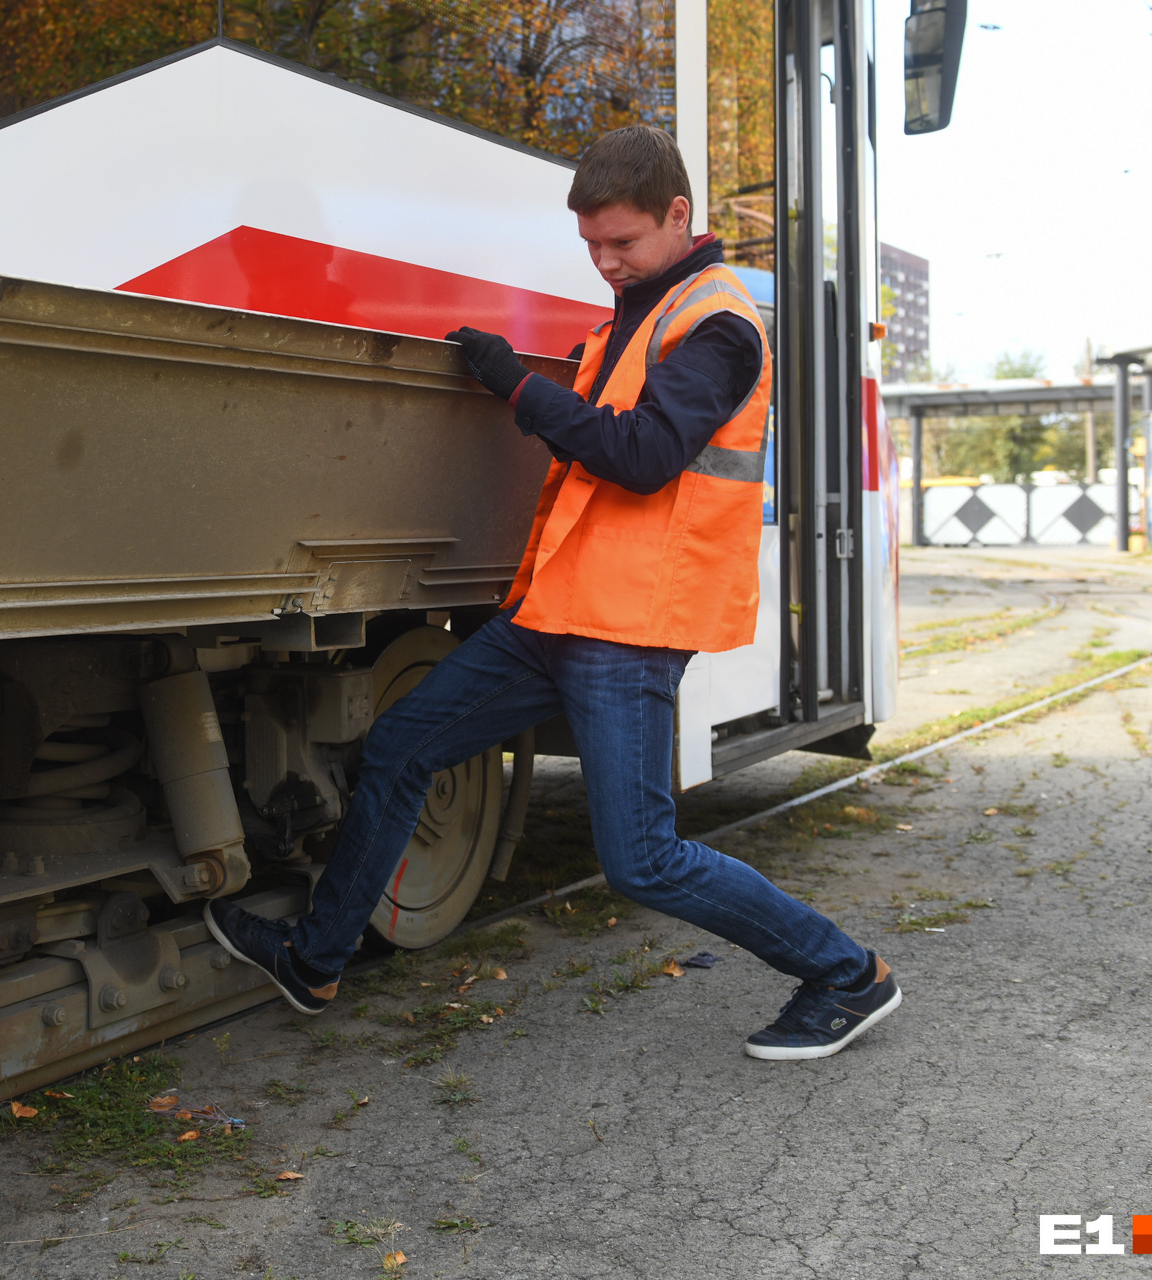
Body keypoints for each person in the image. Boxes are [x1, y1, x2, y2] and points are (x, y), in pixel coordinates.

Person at [204, 125, 901, 1062]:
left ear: (678, 217)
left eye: (622, 243)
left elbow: (644, 456)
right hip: (558, 616)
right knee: (404, 743)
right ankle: (316, 958)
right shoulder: (641, 312)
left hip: (629, 630)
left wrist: (512, 385)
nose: (606, 264)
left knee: (643, 859)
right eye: (592, 248)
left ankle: (845, 975)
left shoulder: (719, 324)